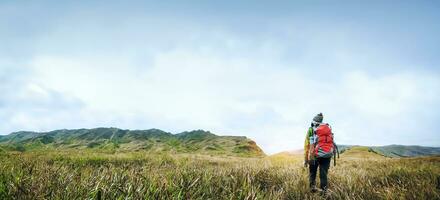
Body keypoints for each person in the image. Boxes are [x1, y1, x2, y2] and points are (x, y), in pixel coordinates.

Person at [304, 113, 334, 194]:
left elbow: (306, 146)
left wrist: (306, 159)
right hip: (327, 154)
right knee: (323, 175)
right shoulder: (327, 128)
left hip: (314, 155)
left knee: (312, 174)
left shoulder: (311, 129)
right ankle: (324, 193)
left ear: (313, 121)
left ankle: (312, 190)